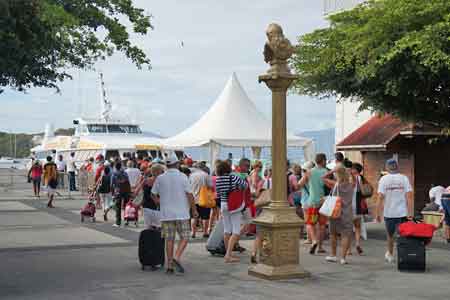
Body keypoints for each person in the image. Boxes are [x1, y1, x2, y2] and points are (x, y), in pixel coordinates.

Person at [152, 159, 197, 274]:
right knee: (185, 237)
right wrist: (194, 210)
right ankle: (176, 257)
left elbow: (153, 194)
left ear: (167, 165)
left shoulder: (160, 178)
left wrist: (160, 202)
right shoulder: (183, 177)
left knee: (169, 240)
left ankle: (169, 266)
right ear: (177, 164)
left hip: (166, 214)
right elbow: (189, 194)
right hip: (182, 213)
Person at [376, 159, 413, 263]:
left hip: (389, 213)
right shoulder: (404, 178)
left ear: (387, 167)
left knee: (390, 235)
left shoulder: (383, 179)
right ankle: (403, 254)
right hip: (402, 212)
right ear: (397, 167)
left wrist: (377, 213)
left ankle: (390, 254)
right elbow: (409, 196)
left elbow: (380, 197)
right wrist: (410, 212)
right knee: (403, 234)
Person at [215, 160, 248, 263]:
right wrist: (237, 189)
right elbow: (245, 186)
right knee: (236, 231)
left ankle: (227, 253)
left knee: (227, 230)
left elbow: (219, 194)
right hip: (234, 205)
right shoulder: (233, 177)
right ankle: (228, 255)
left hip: (223, 205)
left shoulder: (218, 180)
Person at [322, 166, 355, 265]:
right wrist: (349, 173)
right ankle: (343, 258)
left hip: (335, 212)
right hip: (347, 213)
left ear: (337, 174)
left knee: (333, 234)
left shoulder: (336, 185)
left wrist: (331, 171)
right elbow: (353, 179)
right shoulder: (351, 185)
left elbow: (323, 178)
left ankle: (333, 255)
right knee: (345, 234)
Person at [298, 153, 329, 255]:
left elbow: (299, 185)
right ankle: (320, 247)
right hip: (324, 201)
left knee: (310, 223)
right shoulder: (327, 172)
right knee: (322, 225)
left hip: (312, 201)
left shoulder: (309, 172)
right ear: (324, 161)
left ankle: (314, 240)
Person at [134, 163, 165, 229]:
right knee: (159, 229)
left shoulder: (146, 180)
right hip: (158, 208)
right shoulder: (162, 182)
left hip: (146, 207)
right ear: (159, 172)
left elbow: (136, 192)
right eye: (162, 171)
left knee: (148, 229)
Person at [349, 162, 369, 255]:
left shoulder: (348, 177)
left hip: (348, 205)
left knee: (348, 228)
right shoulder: (360, 178)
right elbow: (362, 191)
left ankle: (348, 249)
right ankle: (357, 244)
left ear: (355, 170)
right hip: (357, 205)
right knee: (357, 227)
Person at [189, 163, 213, 238]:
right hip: (204, 199)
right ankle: (205, 232)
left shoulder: (191, 175)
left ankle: (193, 232)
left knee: (193, 217)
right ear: (203, 167)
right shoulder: (206, 175)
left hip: (193, 199)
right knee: (205, 217)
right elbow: (210, 186)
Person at [111, 162, 131, 228]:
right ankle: (126, 220)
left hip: (118, 191)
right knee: (126, 206)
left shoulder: (114, 174)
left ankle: (118, 222)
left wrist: (112, 194)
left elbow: (111, 184)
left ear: (115, 167)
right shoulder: (125, 173)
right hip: (126, 191)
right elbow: (128, 182)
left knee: (118, 207)